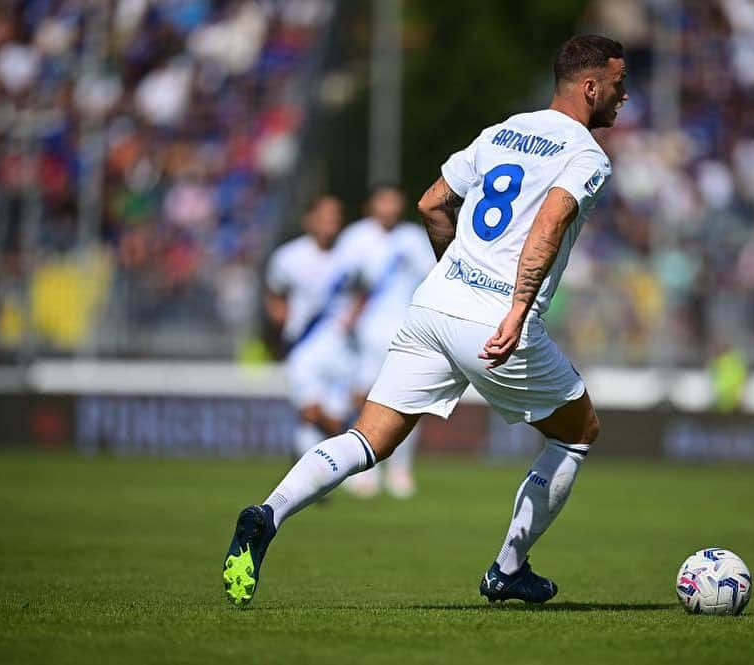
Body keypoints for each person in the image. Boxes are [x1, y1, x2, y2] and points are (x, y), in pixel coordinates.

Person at [223, 34, 627, 607]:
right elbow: (549, 226)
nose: (625, 95)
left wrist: (454, 274)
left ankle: (267, 512)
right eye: (619, 83)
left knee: (366, 438)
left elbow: (432, 203)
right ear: (591, 87)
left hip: (433, 305)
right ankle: (508, 569)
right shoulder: (586, 155)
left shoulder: (503, 130)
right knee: (578, 433)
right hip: (494, 320)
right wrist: (513, 309)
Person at [340, 185, 435, 499]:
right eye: (384, 200)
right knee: (361, 400)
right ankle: (362, 468)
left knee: (408, 400)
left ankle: (400, 468)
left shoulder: (413, 239)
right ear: (372, 204)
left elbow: (431, 280)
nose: (390, 207)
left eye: (395, 201)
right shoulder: (355, 238)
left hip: (405, 333)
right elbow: (341, 285)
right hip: (364, 337)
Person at [264, 195, 359, 460]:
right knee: (311, 412)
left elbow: (364, 291)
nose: (332, 221)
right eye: (326, 215)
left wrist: (355, 316)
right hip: (303, 346)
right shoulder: (288, 257)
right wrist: (279, 318)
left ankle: (319, 475)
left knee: (335, 411)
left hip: (340, 348)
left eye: (336, 215)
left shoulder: (349, 257)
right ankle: (351, 449)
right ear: (310, 220)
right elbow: (274, 292)